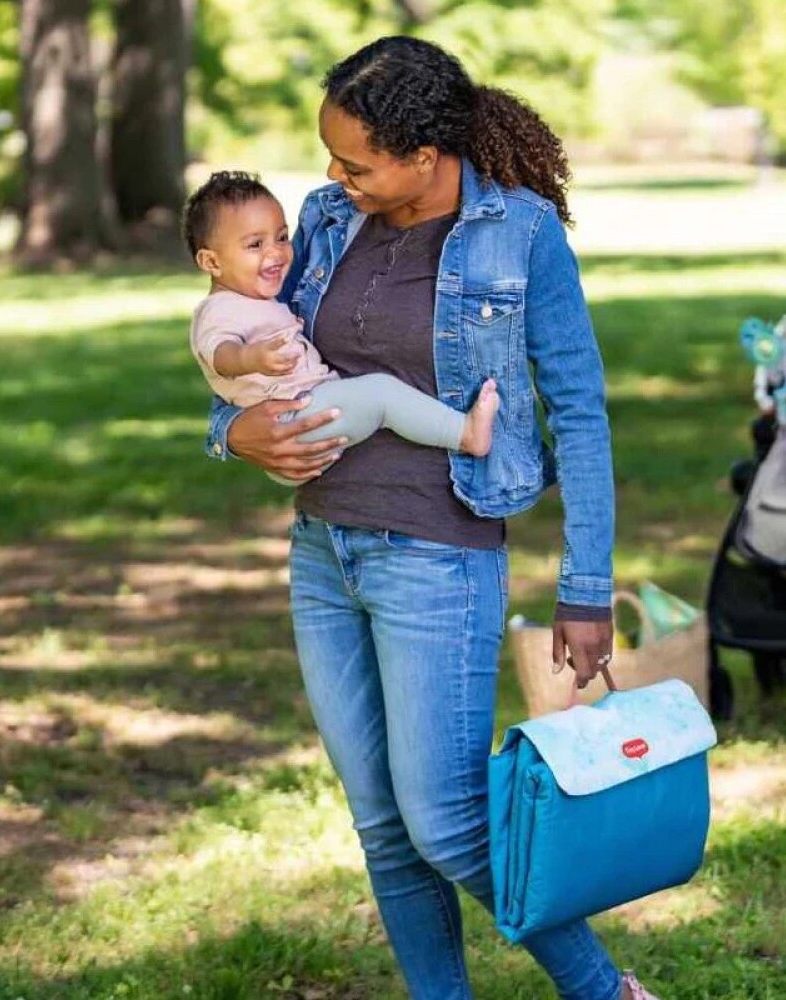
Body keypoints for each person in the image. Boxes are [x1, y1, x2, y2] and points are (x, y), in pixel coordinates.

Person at [205, 35, 659, 1000]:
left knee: (446, 822)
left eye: (354, 160)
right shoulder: (328, 222)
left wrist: (584, 588)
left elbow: (577, 410)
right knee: (382, 822)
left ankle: (605, 992)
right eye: (329, 156)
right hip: (324, 551)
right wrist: (230, 433)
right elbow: (248, 348)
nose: (332, 176)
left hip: (438, 558)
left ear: (424, 154)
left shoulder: (521, 235)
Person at [184, 170, 498, 485]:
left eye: (281, 237)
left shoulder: (256, 300)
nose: (276, 252)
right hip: (294, 422)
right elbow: (220, 355)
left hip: (305, 414)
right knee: (382, 395)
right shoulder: (217, 311)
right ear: (211, 262)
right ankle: (465, 433)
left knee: (374, 396)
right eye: (255, 244)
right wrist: (251, 358)